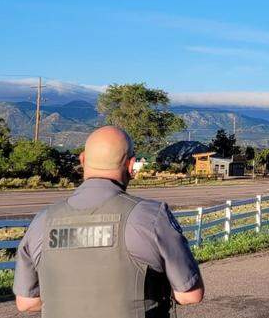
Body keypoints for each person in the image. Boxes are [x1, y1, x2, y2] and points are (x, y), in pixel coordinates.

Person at [13, 125, 204, 317]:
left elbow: (26, 302)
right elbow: (190, 295)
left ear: (82, 160)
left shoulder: (42, 221)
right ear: (131, 165)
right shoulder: (152, 217)